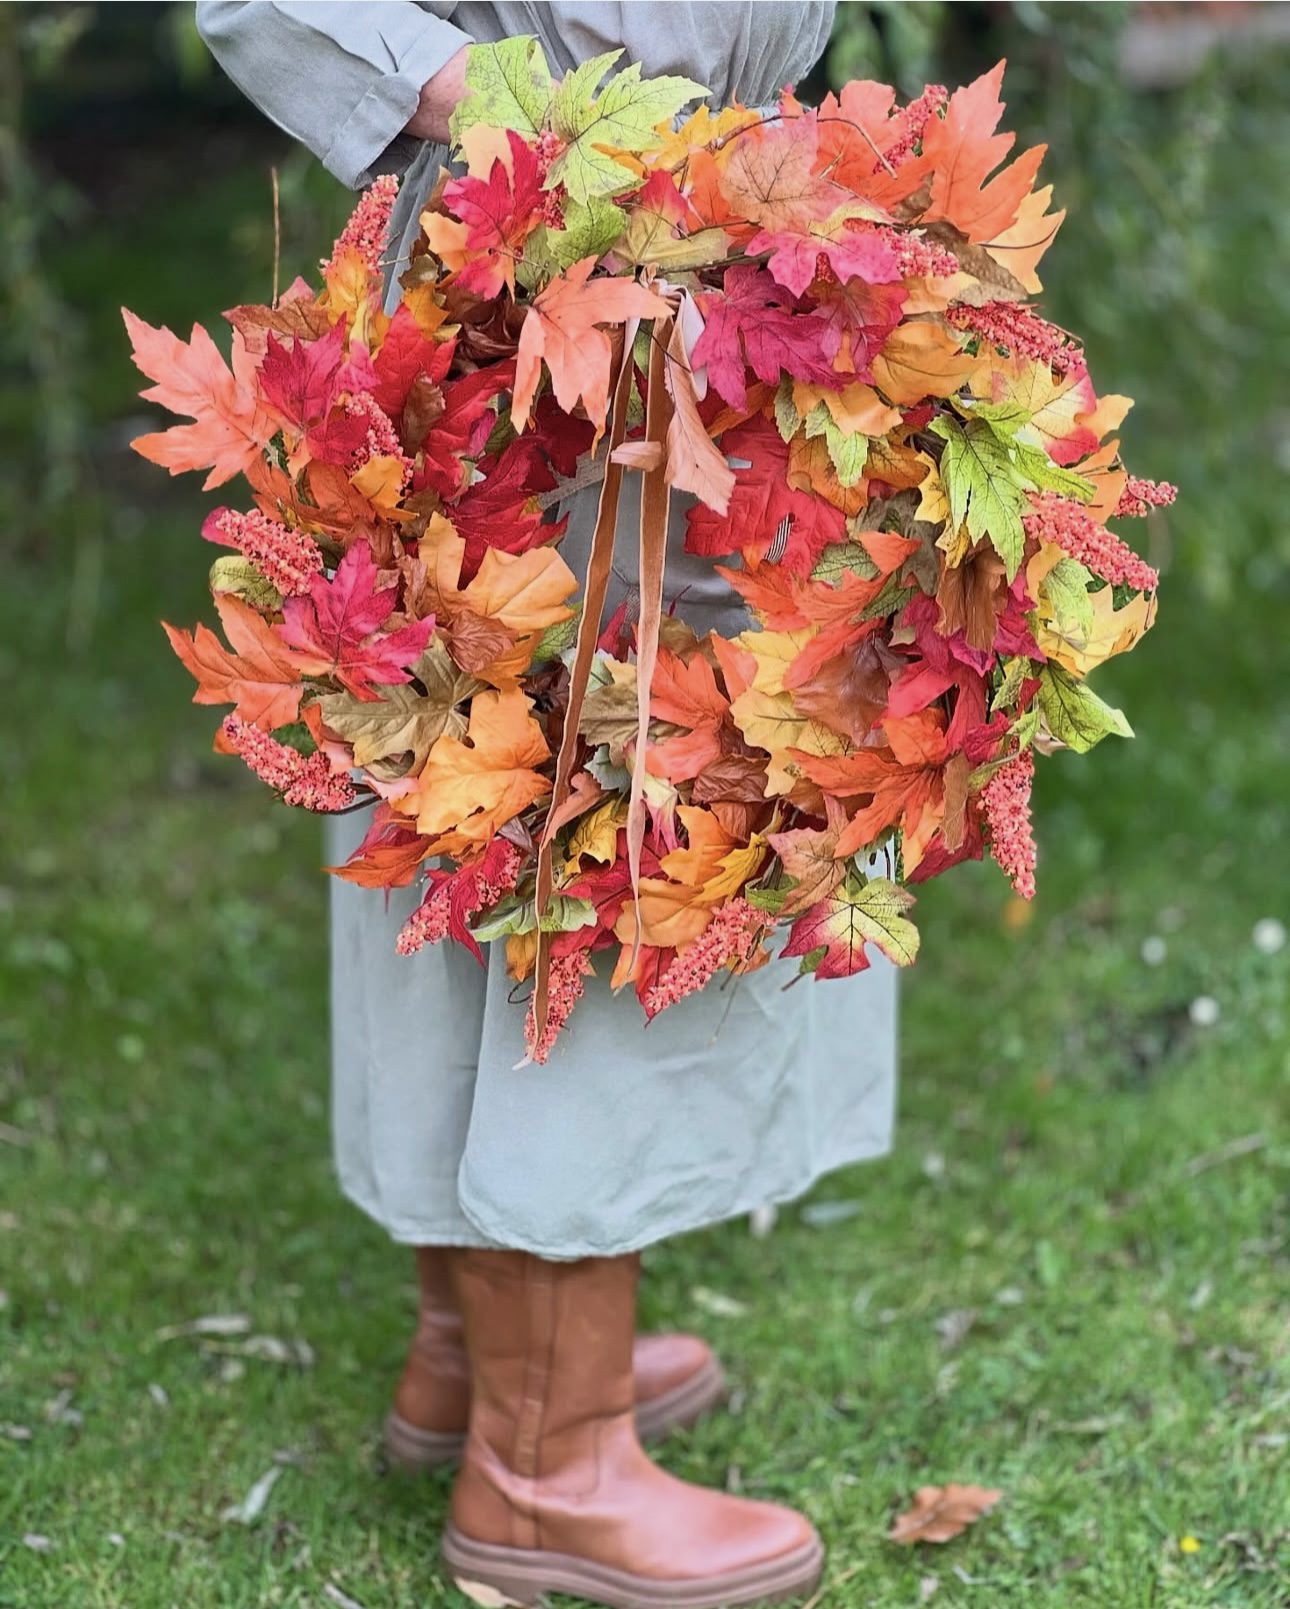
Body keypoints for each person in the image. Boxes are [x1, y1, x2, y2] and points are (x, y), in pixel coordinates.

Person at [195, 5, 899, 1604]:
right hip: (534, 279)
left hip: (713, 259)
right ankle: (546, 1461)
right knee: (570, 820)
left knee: (569, 791)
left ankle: (476, 1357)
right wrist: (511, 112)